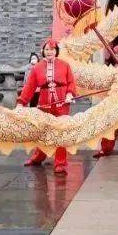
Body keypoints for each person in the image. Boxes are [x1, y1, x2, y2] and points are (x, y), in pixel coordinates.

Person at [18, 39, 77, 174]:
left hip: (62, 104)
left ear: (56, 51)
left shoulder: (65, 65)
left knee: (61, 132)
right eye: (47, 49)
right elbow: (29, 86)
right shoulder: (37, 67)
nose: (49, 52)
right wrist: (21, 102)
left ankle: (60, 163)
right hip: (45, 104)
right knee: (43, 131)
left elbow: (71, 82)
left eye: (52, 49)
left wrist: (69, 94)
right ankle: (38, 157)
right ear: (43, 51)